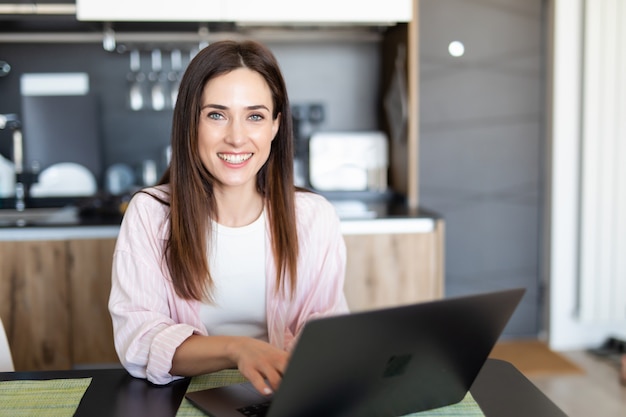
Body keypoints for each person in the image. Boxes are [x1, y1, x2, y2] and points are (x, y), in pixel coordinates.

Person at [109, 39, 349, 396]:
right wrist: (238, 349)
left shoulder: (314, 217)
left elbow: (326, 327)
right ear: (191, 124)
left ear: (275, 126)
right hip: (184, 399)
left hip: (281, 398)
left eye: (255, 116)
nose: (236, 138)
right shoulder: (151, 215)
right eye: (216, 115)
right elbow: (140, 341)